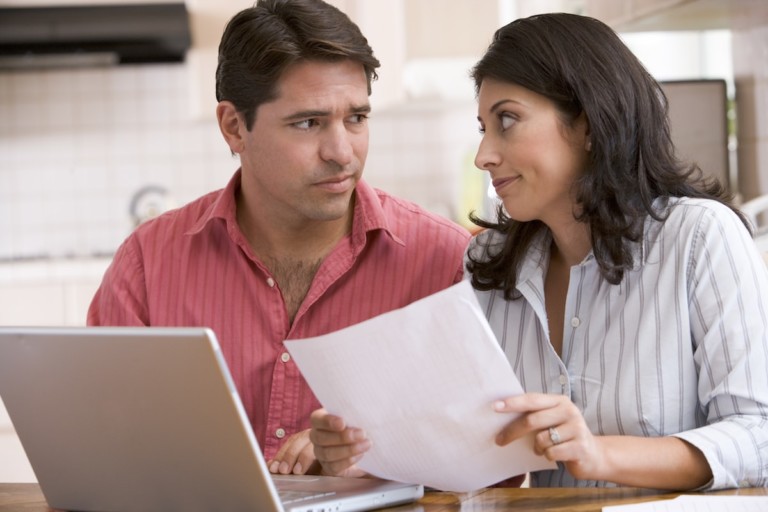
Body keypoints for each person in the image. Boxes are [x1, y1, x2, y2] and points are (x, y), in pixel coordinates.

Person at [309, 13, 768, 490]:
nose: (483, 154)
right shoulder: (487, 265)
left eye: (507, 121)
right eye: (484, 127)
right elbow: (473, 455)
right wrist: (370, 454)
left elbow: (759, 437)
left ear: (588, 123)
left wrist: (599, 454)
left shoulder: (699, 238)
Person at [87, 0, 470, 477]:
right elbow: (101, 452)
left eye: (356, 118)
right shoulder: (148, 263)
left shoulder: (447, 262)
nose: (341, 152)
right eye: (307, 123)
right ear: (234, 127)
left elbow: (493, 468)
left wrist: (375, 454)